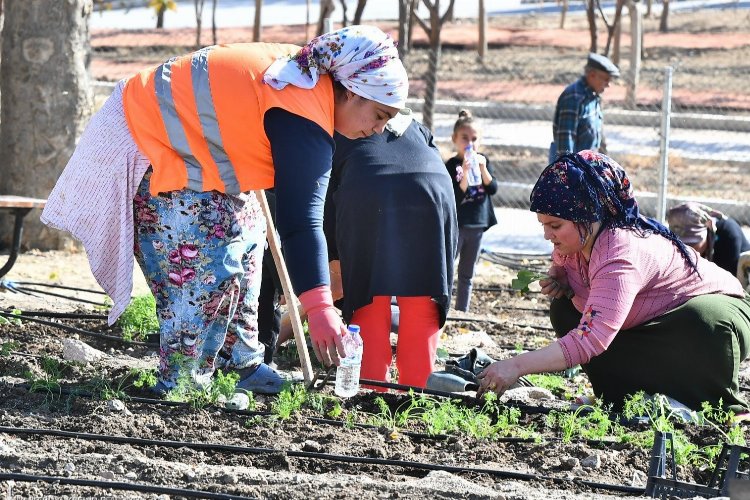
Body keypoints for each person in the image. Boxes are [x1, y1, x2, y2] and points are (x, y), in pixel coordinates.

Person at [40, 25, 408, 396]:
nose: (378, 130)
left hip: (195, 151)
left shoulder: (309, 85)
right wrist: (320, 308)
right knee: (204, 263)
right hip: (148, 139)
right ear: (349, 92)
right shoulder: (305, 112)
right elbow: (300, 223)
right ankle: (182, 381)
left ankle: (240, 363)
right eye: (378, 115)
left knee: (248, 238)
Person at [477, 151, 750, 412]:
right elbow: (575, 284)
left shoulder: (619, 252)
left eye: (556, 225)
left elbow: (591, 338)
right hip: (650, 321)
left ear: (588, 215)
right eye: (543, 225)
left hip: (717, 316)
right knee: (564, 309)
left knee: (703, 318)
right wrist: (561, 277)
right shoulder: (576, 244)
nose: (548, 235)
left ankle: (717, 404)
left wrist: (515, 365)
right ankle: (621, 397)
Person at [324, 109, 457, 388]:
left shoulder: (342, 123)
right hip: (433, 192)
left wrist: (336, 266)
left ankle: (373, 387)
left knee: (367, 295)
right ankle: (418, 388)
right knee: (423, 292)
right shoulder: (413, 124)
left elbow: (326, 204)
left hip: (368, 191)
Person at [444, 109, 498, 312]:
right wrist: (465, 173)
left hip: (477, 223)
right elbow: (456, 196)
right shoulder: (452, 165)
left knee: (467, 271)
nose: (470, 143)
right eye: (464, 138)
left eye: (474, 139)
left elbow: (492, 189)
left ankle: (462, 309)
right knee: (449, 267)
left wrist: (482, 169)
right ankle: (445, 307)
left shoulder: (483, 160)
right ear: (454, 139)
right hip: (458, 224)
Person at [549, 53, 620, 164]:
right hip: (574, 172)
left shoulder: (593, 95)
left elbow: (597, 134)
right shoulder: (573, 98)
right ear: (592, 75)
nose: (608, 85)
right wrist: (571, 177)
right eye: (606, 79)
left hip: (587, 168)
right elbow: (565, 147)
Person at [666, 202, 750, 279]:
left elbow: (727, 280)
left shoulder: (728, 236)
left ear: (705, 232)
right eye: (681, 244)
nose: (687, 249)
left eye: (691, 244)